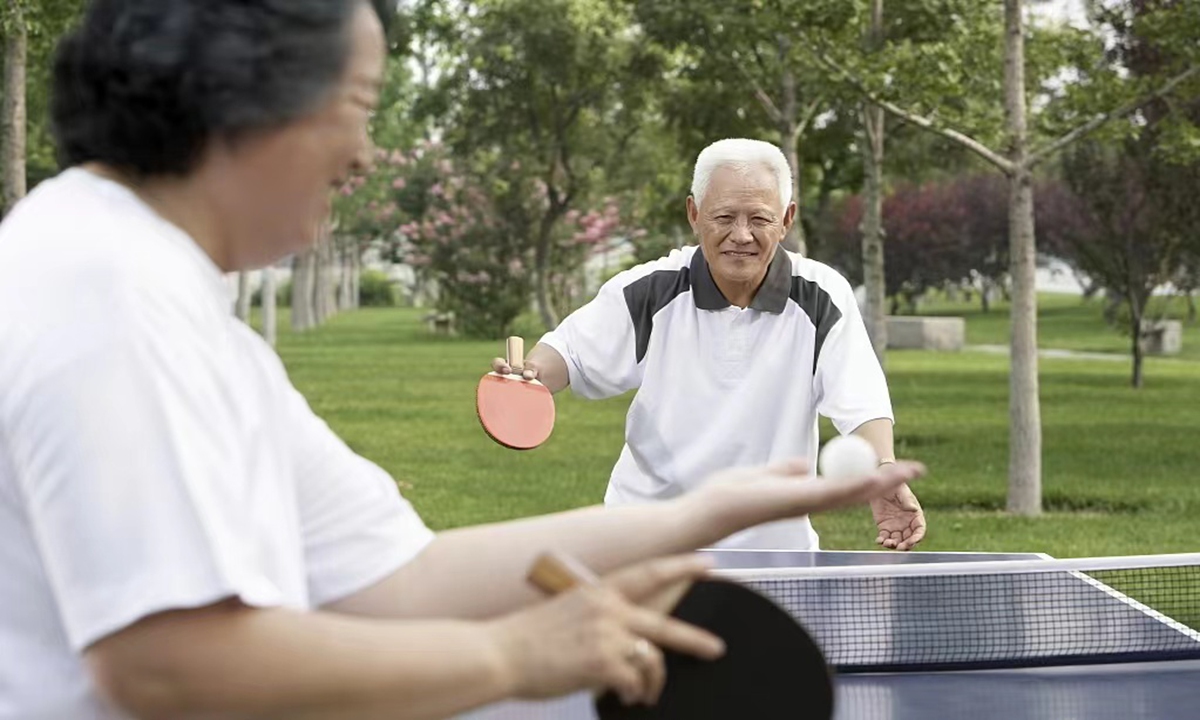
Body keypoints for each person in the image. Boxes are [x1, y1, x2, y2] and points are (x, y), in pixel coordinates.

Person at [0, 1, 925, 718]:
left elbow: (403, 580)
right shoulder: (111, 299)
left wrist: (712, 508)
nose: (364, 155)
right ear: (240, 98)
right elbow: (166, 666)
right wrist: (517, 657)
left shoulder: (163, 300)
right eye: (358, 106)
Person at [492, 138, 926, 552]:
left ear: (787, 218)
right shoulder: (652, 289)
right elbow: (567, 353)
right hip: (649, 541)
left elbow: (861, 400)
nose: (741, 235)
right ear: (694, 213)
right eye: (724, 218)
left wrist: (884, 471)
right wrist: (526, 377)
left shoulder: (821, 295)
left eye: (759, 219)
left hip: (774, 550)